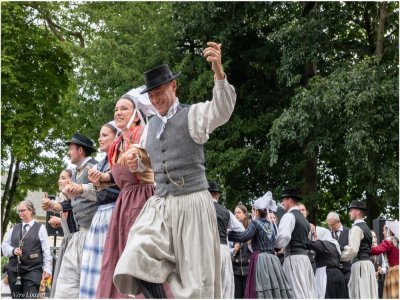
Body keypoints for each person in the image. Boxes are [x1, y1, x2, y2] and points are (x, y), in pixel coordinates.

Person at [113, 41, 236, 298]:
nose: (156, 99)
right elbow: (149, 164)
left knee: (196, 283)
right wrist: (139, 163)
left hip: (193, 203)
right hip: (161, 205)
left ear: (174, 87)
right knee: (135, 257)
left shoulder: (193, 115)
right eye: (151, 95)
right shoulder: (150, 127)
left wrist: (218, 72)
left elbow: (221, 111)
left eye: (160, 92)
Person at [93, 87, 156, 298]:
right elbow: (117, 176)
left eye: (124, 109)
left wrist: (137, 156)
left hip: (145, 199)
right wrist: (103, 178)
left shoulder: (144, 134)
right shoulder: (118, 143)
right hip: (124, 202)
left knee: (139, 255)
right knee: (117, 256)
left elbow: (150, 162)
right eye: (116, 109)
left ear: (136, 114)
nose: (118, 113)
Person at [52, 133, 98, 298]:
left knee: (86, 283)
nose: (68, 152)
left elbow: (102, 194)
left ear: (80, 150)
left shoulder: (94, 167)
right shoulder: (78, 172)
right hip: (80, 234)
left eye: (71, 149)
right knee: (66, 284)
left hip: (93, 233)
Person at [79, 122, 120, 298]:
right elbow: (95, 191)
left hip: (115, 214)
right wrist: (81, 188)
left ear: (116, 137)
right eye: (99, 135)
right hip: (100, 216)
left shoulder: (120, 159)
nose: (99, 138)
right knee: (93, 266)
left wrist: (102, 182)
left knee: (108, 264)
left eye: (104, 135)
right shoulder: (101, 163)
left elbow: (125, 187)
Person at [228, 192, 293, 298]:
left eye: (253, 210)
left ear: (257, 212)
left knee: (260, 286)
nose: (252, 213)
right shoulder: (271, 224)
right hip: (272, 259)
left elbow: (244, 236)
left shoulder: (255, 223)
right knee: (272, 286)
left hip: (260, 259)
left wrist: (229, 234)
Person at [2, 200, 52, 299]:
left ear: (31, 211)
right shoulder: (14, 228)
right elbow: (4, 246)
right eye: (19, 211)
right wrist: (13, 250)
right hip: (14, 272)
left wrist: (47, 269)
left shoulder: (40, 228)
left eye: (23, 210)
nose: (20, 213)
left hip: (33, 272)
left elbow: (46, 251)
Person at [275, 188, 317, 299]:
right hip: (304, 259)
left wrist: (275, 247)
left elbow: (284, 236)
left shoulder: (289, 216)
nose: (282, 203)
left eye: (283, 200)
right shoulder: (304, 220)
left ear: (290, 201)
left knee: (295, 291)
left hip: (293, 259)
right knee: (307, 290)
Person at [41, 168, 76, 298]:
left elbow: (76, 221)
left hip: (76, 243)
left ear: (72, 180)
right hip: (67, 242)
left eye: (63, 178)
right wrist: (61, 222)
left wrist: (52, 207)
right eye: (59, 178)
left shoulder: (74, 198)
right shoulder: (63, 198)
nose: (59, 181)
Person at [208, 180, 244, 298]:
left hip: (207, 249)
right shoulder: (226, 211)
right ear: (217, 195)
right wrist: (226, 234)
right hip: (223, 248)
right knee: (225, 283)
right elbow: (241, 230)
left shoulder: (200, 209)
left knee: (209, 284)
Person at [340, 200, 377, 299]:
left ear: (357, 212)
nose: (349, 213)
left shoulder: (356, 228)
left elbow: (353, 250)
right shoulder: (366, 228)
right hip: (367, 265)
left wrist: (340, 257)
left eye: (351, 210)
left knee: (361, 294)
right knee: (368, 294)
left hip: (360, 265)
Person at [308, 226, 346, 298]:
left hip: (326, 274)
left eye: (315, 234)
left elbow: (307, 244)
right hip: (338, 274)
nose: (314, 236)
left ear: (320, 234)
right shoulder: (335, 244)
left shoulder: (322, 244)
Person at [326, 211, 351, 298]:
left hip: (346, 270)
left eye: (332, 224)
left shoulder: (349, 232)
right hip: (333, 271)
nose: (330, 227)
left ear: (338, 221)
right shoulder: (328, 233)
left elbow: (350, 249)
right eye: (328, 225)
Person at [371, 220, 399, 299]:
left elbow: (377, 250)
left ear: (389, 231)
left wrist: (365, 248)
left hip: (394, 271)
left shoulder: (389, 241)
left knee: (393, 295)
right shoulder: (397, 241)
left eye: (384, 230)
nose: (383, 232)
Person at [232, 204, 252, 298]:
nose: (236, 215)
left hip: (248, 268)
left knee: (247, 295)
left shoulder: (251, 229)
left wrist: (249, 243)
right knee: (236, 295)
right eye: (235, 213)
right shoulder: (231, 230)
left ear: (245, 214)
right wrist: (233, 250)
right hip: (235, 269)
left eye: (239, 212)